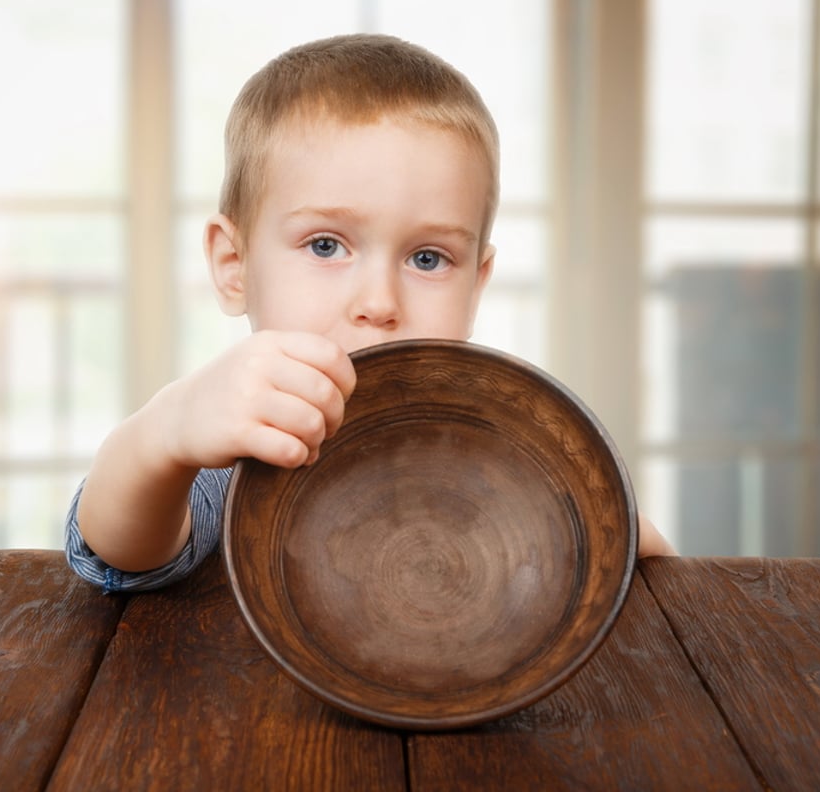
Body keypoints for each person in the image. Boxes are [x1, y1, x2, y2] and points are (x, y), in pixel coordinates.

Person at [65, 34, 674, 592]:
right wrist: (167, 433)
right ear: (235, 265)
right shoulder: (240, 441)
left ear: (475, 288)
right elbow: (117, 554)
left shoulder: (504, 462)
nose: (380, 304)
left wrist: (615, 532)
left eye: (429, 259)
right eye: (326, 246)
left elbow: (659, 584)